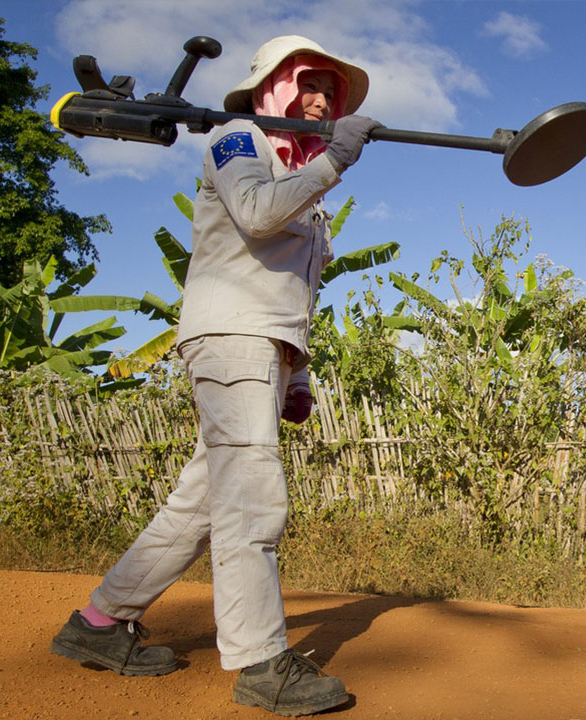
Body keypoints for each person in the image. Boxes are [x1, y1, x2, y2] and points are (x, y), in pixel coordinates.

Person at [49, 35, 381, 717]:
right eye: (308, 84)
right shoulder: (238, 140)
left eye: (330, 92)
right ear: (272, 89)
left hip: (259, 346)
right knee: (250, 497)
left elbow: (294, 287)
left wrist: (293, 375)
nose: (320, 100)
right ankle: (262, 663)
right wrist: (338, 161)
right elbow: (257, 216)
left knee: (201, 502)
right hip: (231, 340)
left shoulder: (303, 186)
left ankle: (102, 622)